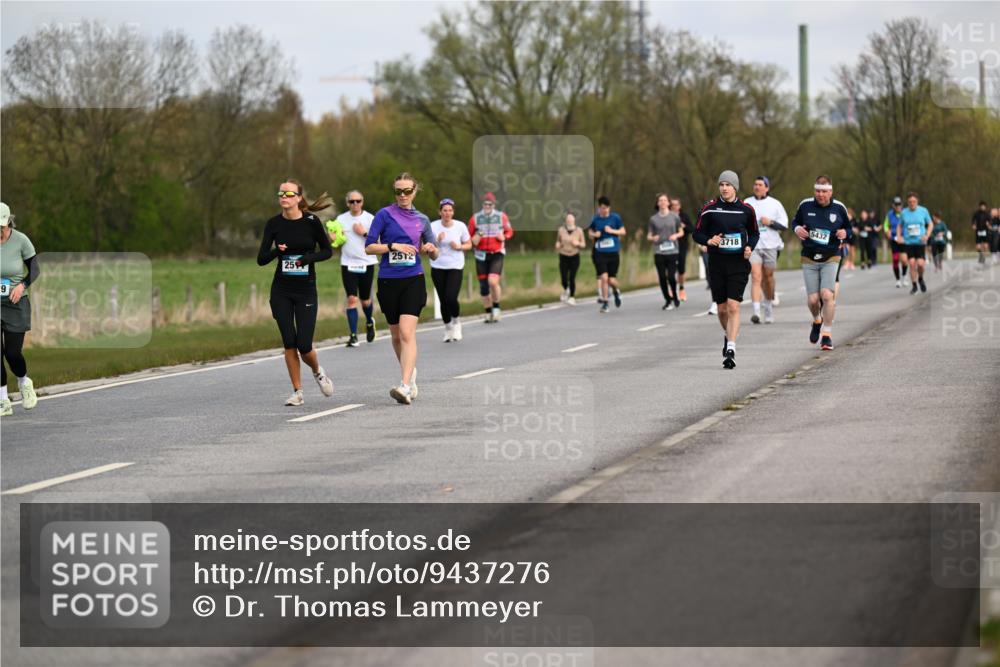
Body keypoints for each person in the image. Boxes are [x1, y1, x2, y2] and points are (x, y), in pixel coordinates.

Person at [257, 181, 335, 406]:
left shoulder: (311, 222)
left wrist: (308, 258)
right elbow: (261, 259)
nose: (284, 196)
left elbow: (327, 252)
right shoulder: (273, 224)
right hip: (281, 289)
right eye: (281, 192)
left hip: (306, 290)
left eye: (289, 193)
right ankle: (297, 392)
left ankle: (318, 371)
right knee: (289, 342)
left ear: (299, 198)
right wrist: (276, 251)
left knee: (304, 345)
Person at [365, 172, 439, 405]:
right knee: (396, 335)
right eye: (399, 191)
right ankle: (410, 375)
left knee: (407, 333)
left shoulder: (423, 220)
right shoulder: (384, 215)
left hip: (412, 279)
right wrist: (392, 245)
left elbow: (435, 252)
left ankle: (404, 385)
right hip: (388, 280)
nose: (403, 195)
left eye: (407, 191)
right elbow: (369, 248)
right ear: (395, 192)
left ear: (415, 191)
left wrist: (430, 248)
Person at [692, 171, 758, 369]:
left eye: (728, 184)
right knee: (721, 310)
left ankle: (731, 347)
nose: (724, 188)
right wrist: (708, 240)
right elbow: (697, 233)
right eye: (721, 184)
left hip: (738, 264)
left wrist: (749, 247)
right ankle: (728, 334)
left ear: (735, 187)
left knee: (733, 306)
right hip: (717, 264)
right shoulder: (709, 209)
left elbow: (754, 233)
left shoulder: (746, 210)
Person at [791, 175, 852, 351]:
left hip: (831, 256)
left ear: (831, 192)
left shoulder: (839, 208)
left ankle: (827, 334)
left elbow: (849, 228)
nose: (820, 195)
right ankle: (817, 320)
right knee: (812, 300)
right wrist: (797, 229)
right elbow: (795, 221)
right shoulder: (805, 205)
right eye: (818, 191)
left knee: (826, 295)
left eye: (824, 191)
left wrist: (844, 233)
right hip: (809, 257)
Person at [0, 202, 40, 417]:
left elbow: (35, 268)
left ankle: (24, 381)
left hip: (16, 304)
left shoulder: (21, 240)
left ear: (8, 222)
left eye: (2, 227)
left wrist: (22, 285)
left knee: (12, 353)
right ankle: (2, 400)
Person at [327, 190, 377, 348]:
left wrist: (363, 233)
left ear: (362, 202)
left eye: (358, 201)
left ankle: (369, 322)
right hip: (348, 263)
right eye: (351, 201)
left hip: (367, 262)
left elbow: (379, 240)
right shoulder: (341, 219)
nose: (355, 204)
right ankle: (353, 335)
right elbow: (336, 238)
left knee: (365, 300)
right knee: (351, 299)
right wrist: (333, 238)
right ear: (347, 203)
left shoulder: (370, 218)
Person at [742, 176, 788, 324]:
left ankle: (767, 306)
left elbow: (784, 225)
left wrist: (771, 223)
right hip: (754, 246)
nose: (757, 187)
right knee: (755, 276)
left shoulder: (775, 204)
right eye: (755, 184)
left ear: (767, 188)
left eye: (760, 185)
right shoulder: (747, 203)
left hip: (771, 246)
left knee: (768, 278)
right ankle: (756, 311)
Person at [430, 198, 471, 342]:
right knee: (443, 300)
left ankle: (456, 323)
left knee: (451, 297)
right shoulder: (433, 226)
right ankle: (448, 329)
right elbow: (426, 246)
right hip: (438, 266)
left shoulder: (460, 226)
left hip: (455, 265)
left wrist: (459, 247)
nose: (447, 213)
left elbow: (469, 244)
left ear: (453, 212)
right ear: (439, 212)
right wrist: (437, 241)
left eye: (450, 210)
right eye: (444, 210)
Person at [468, 192, 513, 323]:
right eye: (485, 204)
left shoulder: (501, 217)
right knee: (483, 286)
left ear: (494, 204)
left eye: (490, 204)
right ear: (482, 204)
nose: (487, 206)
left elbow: (510, 231)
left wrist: (505, 237)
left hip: (497, 253)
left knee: (493, 281)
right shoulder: (475, 218)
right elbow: (468, 236)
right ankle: (488, 312)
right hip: (481, 254)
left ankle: (496, 308)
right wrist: (475, 238)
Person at [588, 196, 627, 313]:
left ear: (609, 208)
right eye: (601, 208)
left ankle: (616, 290)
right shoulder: (595, 220)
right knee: (604, 278)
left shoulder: (615, 218)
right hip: (600, 253)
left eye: (606, 208)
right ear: (599, 208)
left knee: (611, 280)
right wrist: (595, 235)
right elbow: (590, 232)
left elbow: (623, 231)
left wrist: (612, 231)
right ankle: (605, 303)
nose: (604, 210)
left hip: (613, 253)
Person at [647, 193, 684, 310]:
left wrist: (675, 236)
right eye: (660, 201)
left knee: (671, 277)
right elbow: (649, 235)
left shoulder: (674, 217)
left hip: (673, 250)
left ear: (668, 203)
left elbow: (681, 232)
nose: (662, 202)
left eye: (664, 200)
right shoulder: (653, 219)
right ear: (657, 203)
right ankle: (668, 300)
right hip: (659, 251)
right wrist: (653, 238)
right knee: (662, 277)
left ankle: (675, 294)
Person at [896, 191, 933, 294]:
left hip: (920, 242)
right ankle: (914, 285)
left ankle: (920, 278)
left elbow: (930, 224)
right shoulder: (904, 212)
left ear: (917, 201)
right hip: (909, 242)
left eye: (914, 201)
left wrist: (927, 235)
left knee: (921, 264)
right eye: (910, 202)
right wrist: (899, 236)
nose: (912, 203)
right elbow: (899, 225)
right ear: (907, 203)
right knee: (911, 263)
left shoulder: (923, 211)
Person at [555, 212, 585, 305]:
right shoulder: (561, 230)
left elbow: (583, 244)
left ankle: (572, 297)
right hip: (563, 255)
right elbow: (558, 242)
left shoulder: (579, 230)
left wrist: (578, 244)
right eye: (568, 220)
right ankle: (566, 289)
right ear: (566, 221)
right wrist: (558, 245)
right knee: (563, 277)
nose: (569, 221)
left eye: (571, 220)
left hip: (574, 256)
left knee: (572, 277)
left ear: (574, 221)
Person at [883, 196, 908, 287]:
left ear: (902, 205)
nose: (898, 206)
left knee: (905, 260)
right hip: (894, 239)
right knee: (895, 259)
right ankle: (897, 280)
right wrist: (887, 231)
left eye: (899, 204)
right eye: (896, 205)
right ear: (893, 205)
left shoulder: (906, 213)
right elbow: (885, 225)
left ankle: (904, 276)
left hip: (904, 239)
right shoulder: (889, 214)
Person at [672, 197, 693, 302]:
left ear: (679, 206)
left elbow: (692, 229)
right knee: (670, 268)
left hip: (682, 246)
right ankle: (671, 289)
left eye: (676, 204)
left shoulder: (684, 216)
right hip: (669, 246)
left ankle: (681, 288)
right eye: (672, 205)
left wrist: (684, 226)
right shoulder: (667, 216)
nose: (674, 206)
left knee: (681, 268)